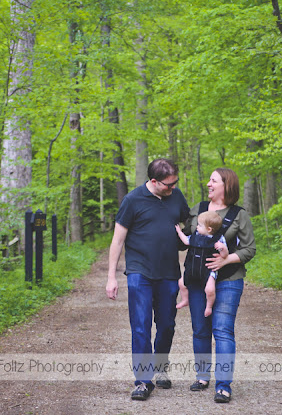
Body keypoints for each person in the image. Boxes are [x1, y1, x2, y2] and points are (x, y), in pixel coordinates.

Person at [105, 158, 189, 401]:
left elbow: (189, 223)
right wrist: (111, 277)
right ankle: (142, 381)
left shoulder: (176, 196)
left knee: (166, 325)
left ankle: (161, 367)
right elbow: (117, 240)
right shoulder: (132, 200)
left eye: (175, 183)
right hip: (139, 272)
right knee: (140, 325)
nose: (173, 188)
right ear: (153, 181)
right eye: (168, 184)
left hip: (169, 272)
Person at [185, 168, 256, 404]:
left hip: (228, 280)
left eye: (213, 181)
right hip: (197, 280)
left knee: (223, 331)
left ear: (226, 185)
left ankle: (223, 386)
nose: (208, 184)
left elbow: (249, 249)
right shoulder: (197, 209)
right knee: (200, 329)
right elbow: (184, 238)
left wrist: (226, 259)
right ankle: (202, 376)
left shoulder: (239, 215)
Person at [174, 210, 229, 317]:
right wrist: (179, 232)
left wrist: (223, 248)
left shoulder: (218, 239)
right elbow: (186, 241)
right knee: (181, 283)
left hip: (208, 270)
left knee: (210, 289)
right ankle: (185, 299)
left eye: (199, 225)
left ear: (209, 229)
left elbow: (224, 256)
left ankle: (209, 306)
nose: (197, 227)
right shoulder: (196, 236)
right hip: (193, 268)